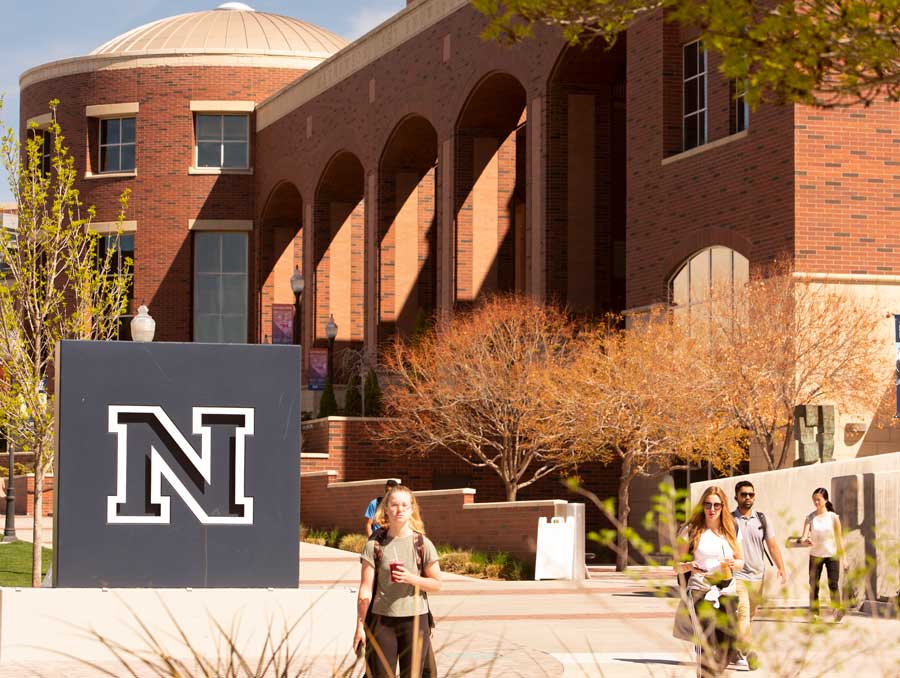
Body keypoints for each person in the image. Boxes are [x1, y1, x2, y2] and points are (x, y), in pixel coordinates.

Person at [354, 484, 442, 677]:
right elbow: (365, 590)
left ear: (411, 509)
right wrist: (360, 626)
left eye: (404, 505)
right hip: (381, 622)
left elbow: (437, 583)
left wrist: (411, 578)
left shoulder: (422, 544)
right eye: (394, 505)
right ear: (386, 509)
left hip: (416, 621)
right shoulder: (374, 545)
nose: (399, 509)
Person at [674, 486, 744, 678]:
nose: (711, 509)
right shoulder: (691, 530)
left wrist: (733, 563)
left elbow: (741, 561)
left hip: (726, 590)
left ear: (723, 506)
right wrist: (689, 566)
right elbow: (676, 566)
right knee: (706, 642)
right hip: (700, 591)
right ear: (702, 506)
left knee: (729, 643)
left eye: (716, 505)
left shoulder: (732, 529)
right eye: (707, 505)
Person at [730, 480, 787, 671]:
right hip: (738, 575)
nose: (748, 498)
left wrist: (781, 567)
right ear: (736, 496)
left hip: (758, 576)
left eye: (751, 494)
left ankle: (737, 649)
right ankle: (750, 651)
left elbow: (772, 544)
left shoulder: (762, 519)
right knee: (743, 613)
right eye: (744, 494)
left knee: (750, 616)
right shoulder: (729, 520)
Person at [799, 487, 845, 621]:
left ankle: (837, 610)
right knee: (814, 584)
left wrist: (845, 559)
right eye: (814, 500)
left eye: (818, 500)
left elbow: (839, 538)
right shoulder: (810, 517)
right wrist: (805, 540)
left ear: (825, 500)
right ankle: (814, 613)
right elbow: (803, 537)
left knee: (833, 584)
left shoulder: (833, 517)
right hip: (815, 555)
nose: (816, 503)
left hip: (832, 555)